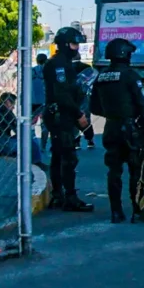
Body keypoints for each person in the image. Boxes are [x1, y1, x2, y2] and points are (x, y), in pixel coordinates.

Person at [90, 38, 144, 224]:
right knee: (136, 170)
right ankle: (137, 210)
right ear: (124, 54)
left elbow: (94, 107)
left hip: (111, 127)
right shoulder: (130, 75)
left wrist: (113, 114)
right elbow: (142, 104)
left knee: (114, 171)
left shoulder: (101, 76)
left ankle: (116, 212)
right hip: (131, 129)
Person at [42, 27, 94, 212]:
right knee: (68, 158)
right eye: (74, 44)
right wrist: (79, 114)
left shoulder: (62, 63)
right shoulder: (59, 64)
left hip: (58, 115)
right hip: (60, 116)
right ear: (64, 44)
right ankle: (69, 197)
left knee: (58, 156)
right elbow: (62, 94)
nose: (77, 47)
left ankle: (58, 194)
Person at [0, 92, 45, 168]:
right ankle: (37, 163)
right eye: (12, 103)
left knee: (22, 140)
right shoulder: (4, 110)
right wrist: (31, 126)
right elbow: (19, 130)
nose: (13, 107)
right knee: (30, 141)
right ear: (7, 102)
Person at [73, 59, 97, 150]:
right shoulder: (86, 67)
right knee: (86, 118)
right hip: (84, 95)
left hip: (72, 97)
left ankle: (76, 141)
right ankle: (90, 139)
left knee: (74, 119)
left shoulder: (67, 67)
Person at [32, 53, 48, 151]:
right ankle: (43, 146)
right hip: (45, 101)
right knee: (44, 125)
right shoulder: (49, 72)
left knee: (31, 125)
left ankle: (33, 144)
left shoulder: (31, 71)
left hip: (33, 101)